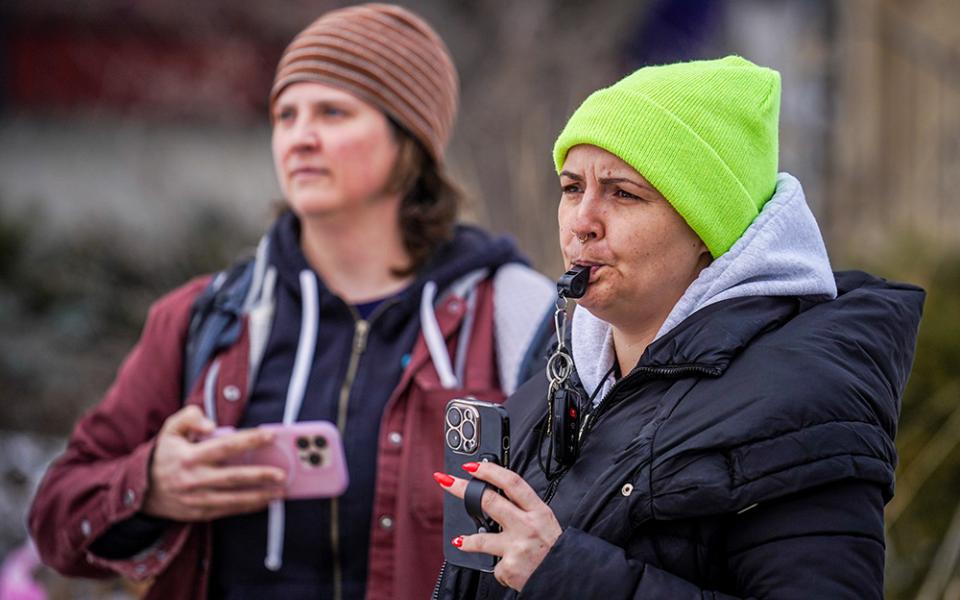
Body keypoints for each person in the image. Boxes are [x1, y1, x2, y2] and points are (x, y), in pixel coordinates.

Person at [28, 4, 555, 599]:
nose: (299, 137)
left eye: (333, 112)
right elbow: (55, 517)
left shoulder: (516, 314)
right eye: (285, 114)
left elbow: (581, 535)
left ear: (410, 141)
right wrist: (149, 484)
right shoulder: (207, 316)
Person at [433, 56, 924, 598]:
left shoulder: (798, 402)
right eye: (573, 188)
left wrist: (566, 574)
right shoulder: (557, 382)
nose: (582, 222)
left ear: (706, 229)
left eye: (623, 193)